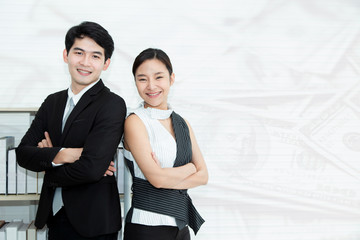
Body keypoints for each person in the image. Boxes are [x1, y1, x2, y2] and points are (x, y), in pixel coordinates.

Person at [16, 21, 126, 240]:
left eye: (95, 56)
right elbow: (23, 153)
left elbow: (92, 169)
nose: (85, 62)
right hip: (55, 218)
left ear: (106, 64)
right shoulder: (52, 102)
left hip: (95, 223)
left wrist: (49, 162)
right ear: (66, 55)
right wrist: (66, 154)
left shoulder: (112, 104)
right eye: (79, 53)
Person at [123, 48, 208, 240]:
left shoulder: (182, 123)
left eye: (158, 77)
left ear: (171, 78)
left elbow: (203, 176)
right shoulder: (135, 122)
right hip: (146, 228)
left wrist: (164, 175)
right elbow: (157, 180)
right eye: (142, 79)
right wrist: (189, 168)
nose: (151, 86)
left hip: (181, 227)